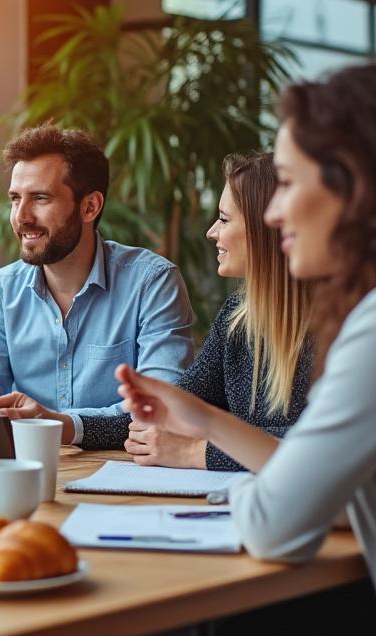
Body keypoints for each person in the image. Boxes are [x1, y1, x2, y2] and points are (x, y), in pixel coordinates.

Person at [113, 65, 376, 636]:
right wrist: (208, 422)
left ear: (352, 186)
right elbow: (336, 485)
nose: (273, 214)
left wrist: (223, 461)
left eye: (290, 182)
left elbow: (277, 522)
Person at [0, 124, 194, 449]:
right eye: (15, 199)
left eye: (40, 198)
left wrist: (59, 425)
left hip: (123, 477)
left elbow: (160, 407)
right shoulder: (3, 290)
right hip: (28, 471)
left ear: (90, 207)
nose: (21, 216)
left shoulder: (151, 283)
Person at [126, 152, 314, 472]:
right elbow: (176, 413)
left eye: (224, 219)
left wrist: (195, 453)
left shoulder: (336, 323)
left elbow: (318, 446)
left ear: (267, 227)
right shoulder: (237, 317)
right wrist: (67, 425)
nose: (211, 232)